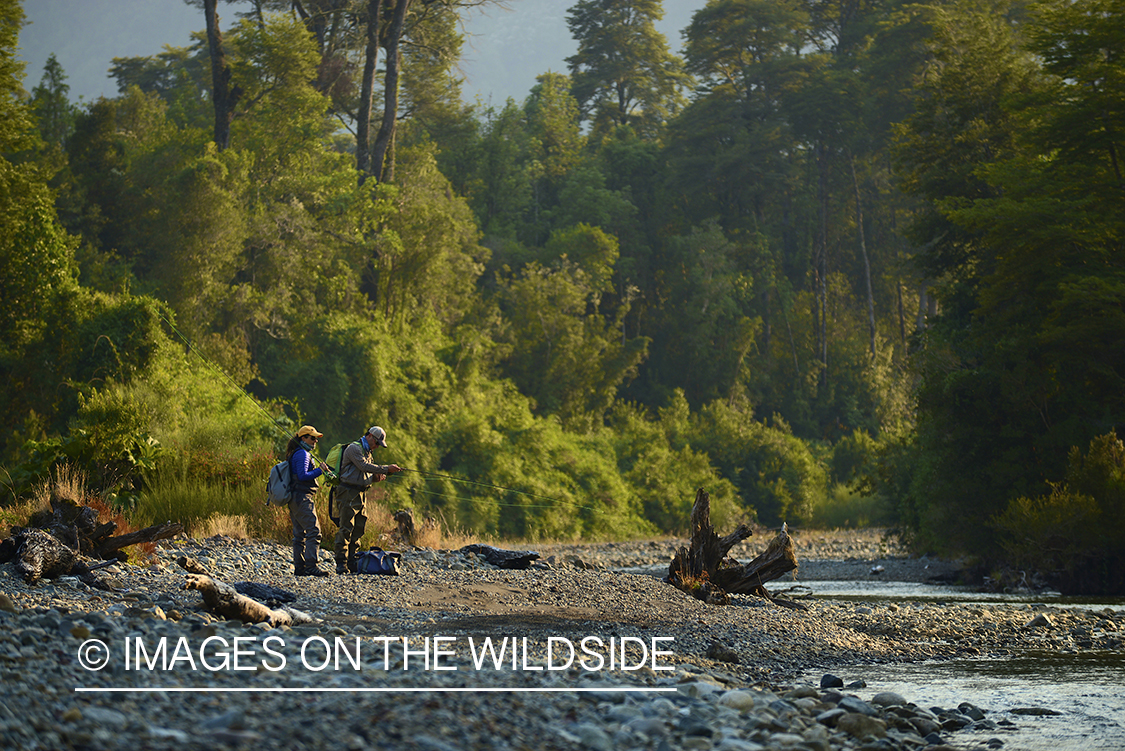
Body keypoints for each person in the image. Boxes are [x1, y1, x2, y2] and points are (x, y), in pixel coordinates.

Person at [334, 425, 403, 574]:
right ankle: (341, 563)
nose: (377, 446)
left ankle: (352, 561)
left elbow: (365, 472)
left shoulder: (368, 452)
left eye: (379, 445)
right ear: (370, 436)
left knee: (358, 528)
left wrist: (376, 478)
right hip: (348, 492)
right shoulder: (354, 448)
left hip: (361, 493)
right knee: (346, 528)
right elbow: (363, 466)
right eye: (377, 443)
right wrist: (386, 468)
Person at [286, 425, 331, 577]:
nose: (315, 441)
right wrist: (320, 470)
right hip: (302, 498)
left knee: (299, 534)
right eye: (313, 438)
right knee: (314, 531)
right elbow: (302, 475)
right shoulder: (303, 455)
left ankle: (300, 567)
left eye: (316, 439)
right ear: (303, 438)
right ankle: (311, 565)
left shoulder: (297, 453)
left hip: (295, 498)